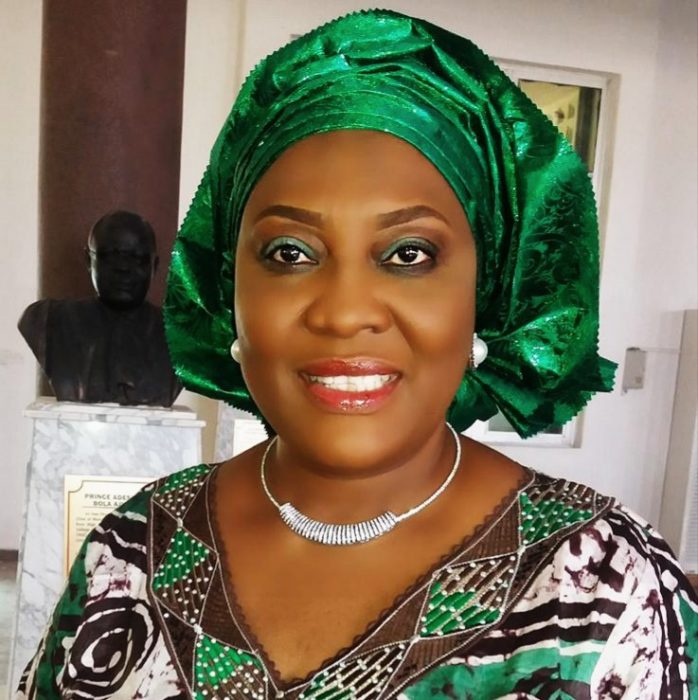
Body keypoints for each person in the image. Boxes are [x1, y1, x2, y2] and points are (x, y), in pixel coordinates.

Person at [16, 10, 697, 699]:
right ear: (227, 291)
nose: (343, 313)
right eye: (290, 253)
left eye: (409, 254)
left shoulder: (607, 589)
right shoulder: (131, 549)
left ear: (485, 293)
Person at [18, 210, 181, 406]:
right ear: (89, 260)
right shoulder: (48, 321)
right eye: (111, 255)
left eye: (137, 257)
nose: (123, 267)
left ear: (155, 266)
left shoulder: (180, 338)